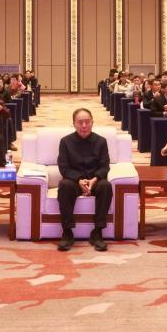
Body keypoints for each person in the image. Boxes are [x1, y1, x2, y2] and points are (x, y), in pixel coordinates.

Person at [54, 108, 112, 252]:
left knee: (106, 186)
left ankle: (97, 232)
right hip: (74, 181)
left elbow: (105, 166)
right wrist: (79, 180)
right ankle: (67, 232)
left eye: (87, 122)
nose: (84, 126)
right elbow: (64, 167)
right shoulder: (66, 142)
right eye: (80, 122)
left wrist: (94, 179)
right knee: (65, 185)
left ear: (92, 122)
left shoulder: (101, 141)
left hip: (95, 181)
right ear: (74, 124)